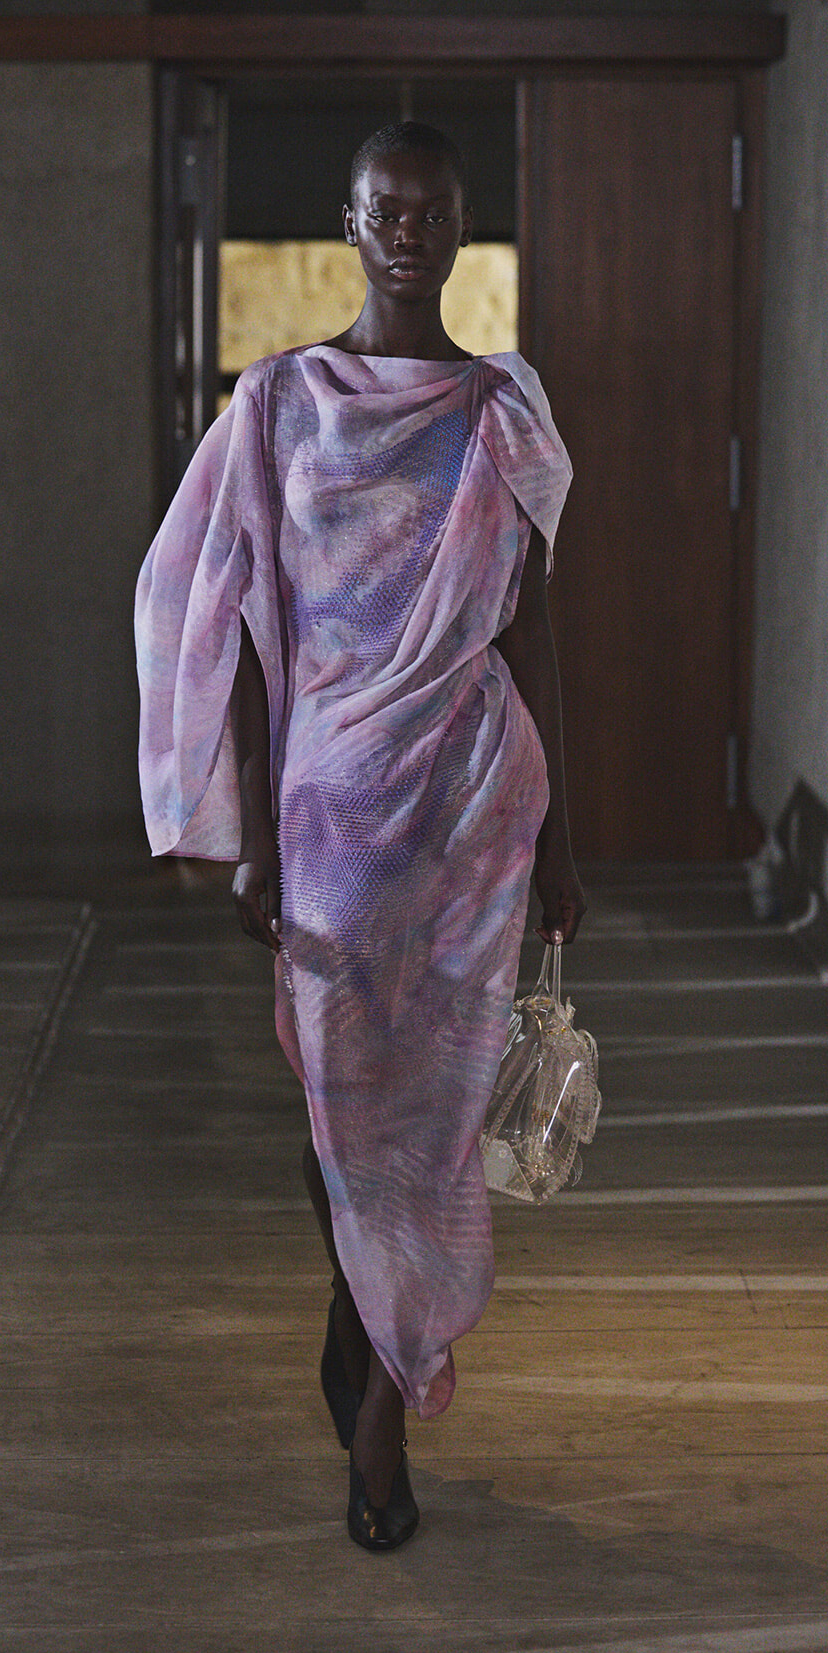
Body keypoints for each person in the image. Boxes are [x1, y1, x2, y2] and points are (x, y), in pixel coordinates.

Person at [135, 120, 584, 1552]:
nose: (407, 232)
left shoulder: (500, 409)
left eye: (432, 212)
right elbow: (246, 630)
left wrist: (563, 826)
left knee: (437, 1124)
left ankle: (384, 1429)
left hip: (467, 813)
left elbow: (536, 629)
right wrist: (254, 827)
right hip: (330, 823)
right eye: (385, 210)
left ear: (461, 230)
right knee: (336, 1121)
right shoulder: (280, 406)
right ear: (351, 219)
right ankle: (363, 1311)